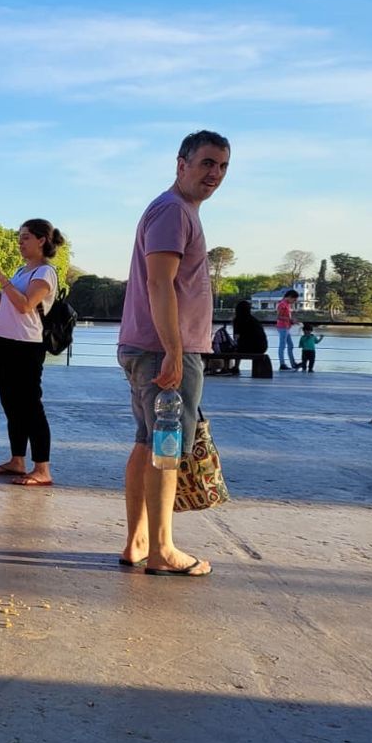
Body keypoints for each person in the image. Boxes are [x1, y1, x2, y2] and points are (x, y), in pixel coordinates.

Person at [116, 130, 229, 578]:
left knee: (148, 442)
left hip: (149, 346)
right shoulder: (171, 211)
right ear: (181, 164)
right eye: (206, 163)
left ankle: (139, 541)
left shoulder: (174, 211)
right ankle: (162, 547)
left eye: (222, 166)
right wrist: (175, 351)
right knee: (166, 446)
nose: (215, 174)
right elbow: (160, 283)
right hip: (160, 348)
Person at [0, 219, 64, 487]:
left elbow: (26, 306)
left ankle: (42, 468)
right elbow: (2, 306)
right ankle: (17, 459)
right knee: (11, 405)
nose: (20, 242)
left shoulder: (45, 273)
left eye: (25, 237)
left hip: (27, 344)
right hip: (5, 341)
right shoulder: (21, 271)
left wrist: (2, 279)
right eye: (19, 237)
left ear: (42, 240)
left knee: (30, 406)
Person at [228, 299, 268, 376]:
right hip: (262, 347)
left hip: (248, 347)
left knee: (235, 348)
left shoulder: (238, 320)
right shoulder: (254, 320)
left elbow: (236, 337)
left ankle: (235, 367)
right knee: (240, 346)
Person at [275, 289, 299, 371]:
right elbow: (279, 317)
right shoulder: (282, 304)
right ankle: (282, 364)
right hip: (283, 327)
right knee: (282, 346)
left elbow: (284, 317)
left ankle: (293, 363)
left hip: (286, 327)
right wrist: (290, 320)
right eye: (294, 299)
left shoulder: (286, 304)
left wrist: (291, 321)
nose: (294, 301)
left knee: (290, 345)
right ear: (290, 297)